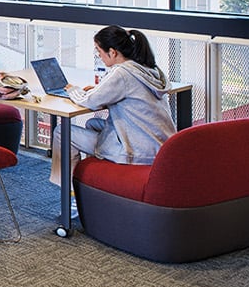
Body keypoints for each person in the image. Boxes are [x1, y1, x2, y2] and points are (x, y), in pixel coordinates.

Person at [51, 25, 176, 187]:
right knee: (92, 123)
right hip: (160, 145)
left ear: (112, 52)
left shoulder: (122, 73)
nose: (99, 56)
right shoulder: (145, 68)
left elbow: (90, 102)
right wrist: (97, 89)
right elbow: (121, 91)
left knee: (62, 132)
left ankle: (66, 190)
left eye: (99, 51)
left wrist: (72, 90)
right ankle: (92, 184)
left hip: (139, 151)